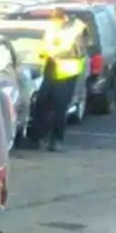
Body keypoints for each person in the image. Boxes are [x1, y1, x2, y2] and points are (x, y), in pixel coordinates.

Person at [33, 11, 85, 151]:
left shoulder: (77, 29)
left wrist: (54, 52)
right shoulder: (52, 28)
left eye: (55, 18)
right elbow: (44, 45)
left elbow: (78, 51)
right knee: (41, 102)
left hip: (66, 74)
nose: (53, 21)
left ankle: (56, 140)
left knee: (60, 108)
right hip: (51, 69)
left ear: (64, 18)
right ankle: (37, 137)